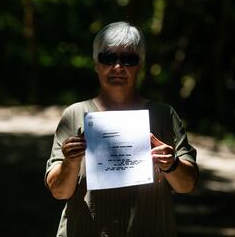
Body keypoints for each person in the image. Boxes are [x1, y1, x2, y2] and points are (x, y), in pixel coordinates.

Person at [45, 21, 198, 237]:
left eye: (128, 59)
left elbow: (187, 185)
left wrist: (172, 164)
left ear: (140, 65)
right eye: (108, 58)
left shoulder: (163, 115)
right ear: (96, 64)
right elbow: (59, 191)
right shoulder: (75, 115)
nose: (118, 67)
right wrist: (70, 162)